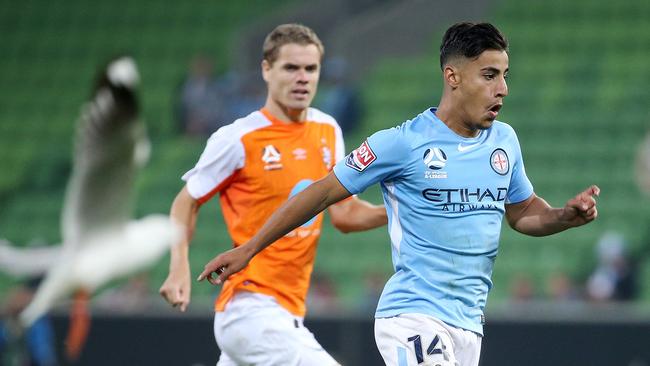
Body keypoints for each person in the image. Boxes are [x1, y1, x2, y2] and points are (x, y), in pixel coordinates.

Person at [198, 22, 600, 366]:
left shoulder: (504, 141)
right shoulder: (401, 144)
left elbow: (523, 212)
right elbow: (321, 194)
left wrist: (564, 216)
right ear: (453, 76)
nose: (503, 89)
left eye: (505, 75)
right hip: (413, 317)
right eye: (490, 75)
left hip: (468, 324)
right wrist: (249, 249)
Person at [159, 23, 387, 366]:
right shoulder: (238, 138)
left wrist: (401, 210)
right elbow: (186, 201)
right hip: (252, 310)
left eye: (311, 69)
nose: (302, 78)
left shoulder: (327, 130)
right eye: (291, 68)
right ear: (267, 69)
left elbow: (345, 214)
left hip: (286, 312)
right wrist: (178, 266)